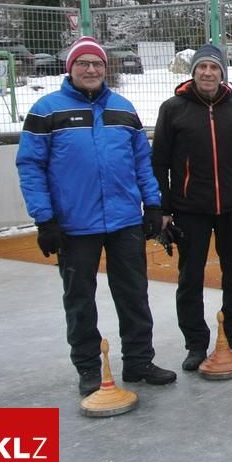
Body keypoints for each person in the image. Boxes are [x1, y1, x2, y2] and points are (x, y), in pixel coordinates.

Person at [16, 35, 176, 397]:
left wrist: (151, 205)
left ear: (106, 69)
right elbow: (30, 166)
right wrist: (45, 219)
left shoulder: (123, 109)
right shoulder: (46, 110)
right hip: (74, 224)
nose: (90, 70)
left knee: (134, 293)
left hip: (123, 221)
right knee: (79, 298)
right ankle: (88, 366)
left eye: (97, 64)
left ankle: (138, 361)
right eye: (83, 63)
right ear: (69, 68)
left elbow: (141, 162)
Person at [151, 44, 232, 369]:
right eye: (202, 67)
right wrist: (163, 207)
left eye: (214, 68)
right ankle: (196, 344)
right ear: (193, 72)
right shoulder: (173, 109)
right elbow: (159, 162)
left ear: (222, 73)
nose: (208, 73)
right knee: (190, 277)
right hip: (190, 209)